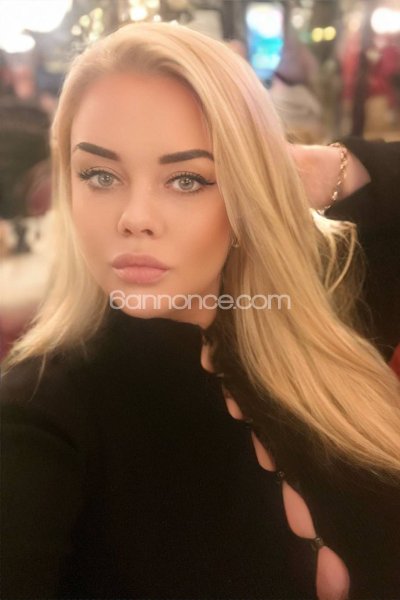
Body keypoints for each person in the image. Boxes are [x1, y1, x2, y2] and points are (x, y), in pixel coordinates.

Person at [1, 22, 399, 600]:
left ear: (244, 192)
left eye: (187, 179)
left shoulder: (327, 313)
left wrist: (318, 168)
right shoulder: (39, 418)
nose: (135, 218)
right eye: (100, 175)